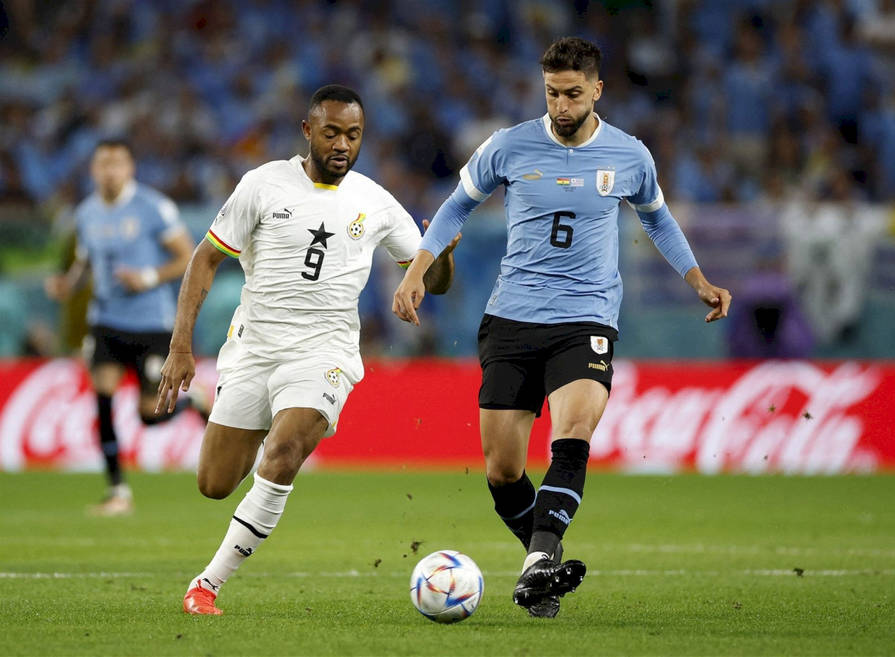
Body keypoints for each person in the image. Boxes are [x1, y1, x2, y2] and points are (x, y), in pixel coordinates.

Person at [393, 37, 731, 618]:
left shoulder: (630, 156)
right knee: (503, 471)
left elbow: (659, 221)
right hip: (512, 317)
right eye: (552, 93)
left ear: (597, 89)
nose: (561, 106)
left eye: (573, 94)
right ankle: (542, 566)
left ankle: (536, 562)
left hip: (586, 317)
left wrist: (697, 279)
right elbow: (455, 206)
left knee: (572, 434)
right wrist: (415, 272)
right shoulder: (508, 145)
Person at [155, 84, 458, 616]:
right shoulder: (263, 184)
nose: (343, 144)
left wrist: (444, 254)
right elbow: (204, 259)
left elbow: (434, 281)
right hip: (254, 348)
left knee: (285, 451)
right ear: (307, 131)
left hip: (325, 351)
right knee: (214, 483)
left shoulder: (375, 201)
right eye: (332, 132)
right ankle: (234, 428)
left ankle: (207, 584)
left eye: (353, 135)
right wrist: (181, 346)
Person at [45, 138, 194, 516]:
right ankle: (117, 491)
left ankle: (194, 401)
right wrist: (68, 284)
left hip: (151, 322)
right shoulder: (86, 213)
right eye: (103, 164)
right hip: (106, 320)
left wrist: (148, 277)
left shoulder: (153, 207)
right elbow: (85, 262)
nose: (110, 172)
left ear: (130, 169)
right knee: (103, 398)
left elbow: (187, 256)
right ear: (93, 170)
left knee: (149, 415)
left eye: (117, 164)